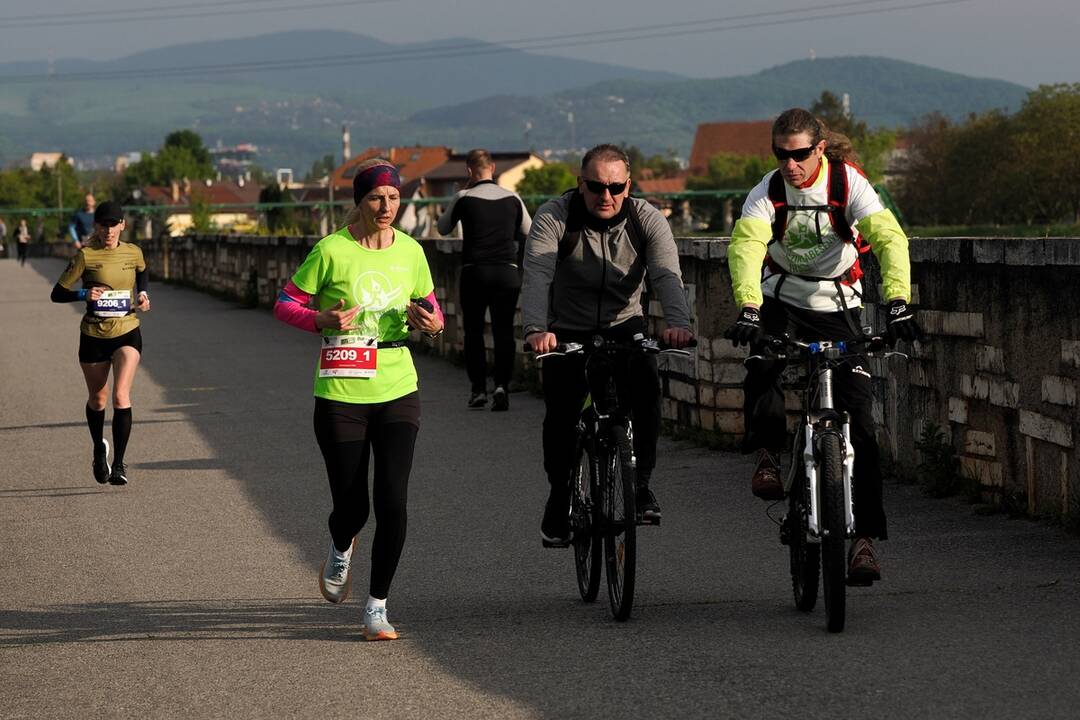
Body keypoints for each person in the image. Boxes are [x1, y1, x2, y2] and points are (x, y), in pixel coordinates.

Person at [724, 108, 921, 585]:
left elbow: (888, 238)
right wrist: (748, 306)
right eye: (780, 154)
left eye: (798, 154)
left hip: (838, 304)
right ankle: (768, 454)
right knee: (761, 364)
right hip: (781, 298)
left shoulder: (848, 184)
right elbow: (747, 245)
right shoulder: (767, 192)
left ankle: (864, 541)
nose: (789, 164)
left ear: (819, 149)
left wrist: (898, 301)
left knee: (862, 425)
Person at [273, 159, 445, 641]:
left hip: (398, 385)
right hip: (341, 390)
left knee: (393, 501)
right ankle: (341, 543)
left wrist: (432, 324)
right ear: (360, 201)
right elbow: (284, 303)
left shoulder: (411, 251)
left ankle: (377, 607)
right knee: (353, 508)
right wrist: (320, 319)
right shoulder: (332, 250)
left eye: (393, 197)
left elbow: (433, 310)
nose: (386, 206)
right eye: (376, 197)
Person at [522, 144, 694, 545]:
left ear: (628, 186)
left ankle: (641, 485)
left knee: (646, 393)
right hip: (567, 330)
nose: (606, 196)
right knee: (561, 417)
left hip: (624, 326)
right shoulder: (555, 216)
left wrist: (679, 324)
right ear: (580, 183)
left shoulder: (645, 218)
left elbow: (666, 274)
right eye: (597, 186)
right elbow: (537, 275)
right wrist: (535, 329)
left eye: (616, 188)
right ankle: (560, 495)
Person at [50, 201, 151, 486]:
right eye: (103, 225)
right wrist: (84, 294)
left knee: (120, 396)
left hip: (127, 330)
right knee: (98, 400)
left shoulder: (133, 252)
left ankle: (119, 465)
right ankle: (98, 449)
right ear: (96, 226)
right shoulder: (86, 255)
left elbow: (142, 271)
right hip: (94, 335)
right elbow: (57, 294)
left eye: (113, 224)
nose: (108, 230)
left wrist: (143, 293)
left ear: (122, 225)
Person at [437, 149, 532, 411]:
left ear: (469, 170)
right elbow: (529, 230)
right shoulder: (513, 198)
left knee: (474, 332)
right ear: (493, 168)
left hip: (475, 272)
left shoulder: (463, 197)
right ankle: (502, 386)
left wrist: (461, 198)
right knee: (504, 331)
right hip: (507, 272)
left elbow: (442, 228)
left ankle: (478, 389)